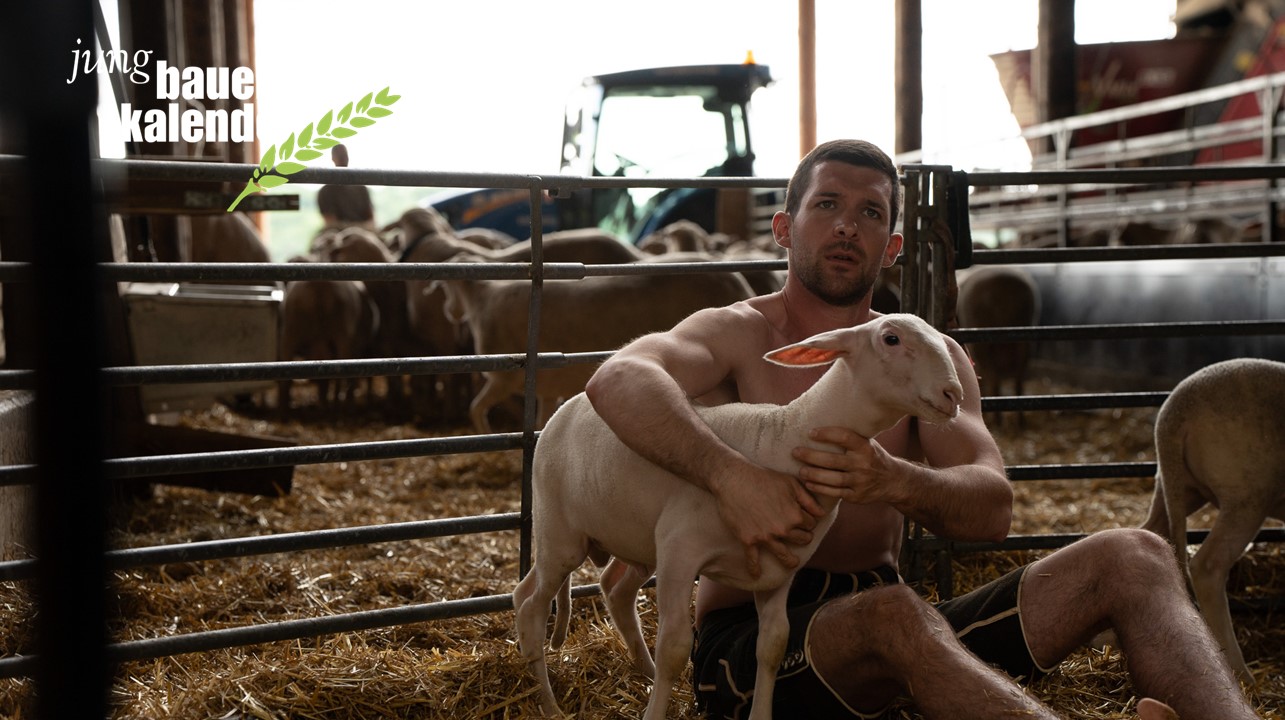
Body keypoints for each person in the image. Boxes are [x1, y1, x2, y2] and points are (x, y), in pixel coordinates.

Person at [583, 139, 1257, 720]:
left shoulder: (925, 360)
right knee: (895, 614)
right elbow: (618, 378)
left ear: (893, 247)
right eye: (827, 205)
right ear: (784, 229)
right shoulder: (735, 334)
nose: (847, 227)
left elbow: (991, 509)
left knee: (1136, 553)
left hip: (898, 623)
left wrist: (892, 480)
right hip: (752, 645)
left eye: (870, 213)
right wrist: (732, 479)